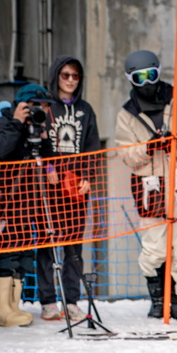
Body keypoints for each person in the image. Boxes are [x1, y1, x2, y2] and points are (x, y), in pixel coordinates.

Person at [114, 49, 177, 320]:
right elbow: (125, 153)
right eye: (139, 78)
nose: (147, 83)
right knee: (154, 248)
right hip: (150, 185)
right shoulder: (127, 115)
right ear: (131, 80)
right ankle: (158, 297)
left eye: (150, 75)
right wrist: (148, 148)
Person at [0, 84, 58, 325]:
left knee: (23, 252)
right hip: (3, 202)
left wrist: (44, 139)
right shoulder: (4, 122)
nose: (42, 110)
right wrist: (17, 123)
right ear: (23, 105)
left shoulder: (37, 127)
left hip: (27, 203)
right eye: (37, 106)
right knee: (7, 251)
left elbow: (47, 160)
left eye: (45, 106)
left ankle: (12, 306)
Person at [37, 55, 99, 322]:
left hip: (76, 188)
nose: (71, 80)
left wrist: (88, 176)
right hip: (48, 187)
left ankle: (72, 300)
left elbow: (92, 146)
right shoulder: (45, 107)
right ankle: (49, 301)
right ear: (56, 76)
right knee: (47, 244)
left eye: (75, 76)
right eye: (65, 75)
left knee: (74, 247)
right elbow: (36, 143)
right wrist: (48, 168)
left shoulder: (86, 109)